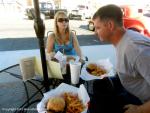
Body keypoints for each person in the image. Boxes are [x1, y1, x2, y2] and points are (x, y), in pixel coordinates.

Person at [91, 4, 150, 113]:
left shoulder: (135, 49)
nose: (95, 31)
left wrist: (139, 110)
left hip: (142, 102)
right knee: (98, 85)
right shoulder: (123, 39)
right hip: (127, 88)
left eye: (98, 27)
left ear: (110, 25)